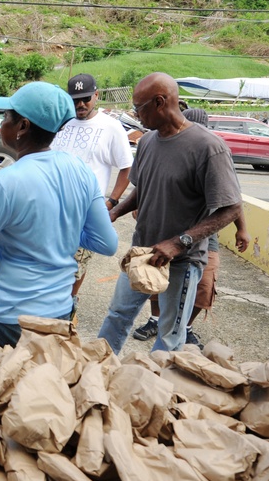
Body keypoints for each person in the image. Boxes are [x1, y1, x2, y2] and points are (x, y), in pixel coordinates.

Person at [0, 81, 118, 348]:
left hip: (9, 322)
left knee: (2, 388)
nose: (0, 124)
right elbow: (107, 243)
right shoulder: (80, 170)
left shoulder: (5, 183)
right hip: (58, 315)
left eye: (6, 117)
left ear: (22, 127)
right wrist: (59, 230)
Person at [98, 74, 242, 355]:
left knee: (169, 335)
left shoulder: (208, 148)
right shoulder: (149, 141)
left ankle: (156, 392)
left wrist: (179, 243)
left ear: (160, 102)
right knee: (117, 315)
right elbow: (142, 189)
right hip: (141, 253)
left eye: (138, 108)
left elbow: (231, 207)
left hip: (182, 261)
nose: (136, 115)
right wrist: (114, 212)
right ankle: (98, 372)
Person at [132, 108, 249, 348]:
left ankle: (185, 325)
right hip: (162, 233)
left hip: (203, 236)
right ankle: (157, 319)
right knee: (156, 283)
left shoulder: (211, 150)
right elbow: (146, 186)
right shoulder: (160, 143)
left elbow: (232, 203)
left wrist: (242, 229)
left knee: (203, 288)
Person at [54, 73, 132, 320]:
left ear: (96, 95)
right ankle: (53, 304)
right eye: (75, 99)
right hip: (53, 207)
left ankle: (68, 308)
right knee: (52, 261)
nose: (81, 104)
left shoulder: (111, 127)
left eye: (86, 98)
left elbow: (126, 167)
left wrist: (112, 201)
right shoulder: (61, 123)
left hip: (86, 210)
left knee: (77, 264)